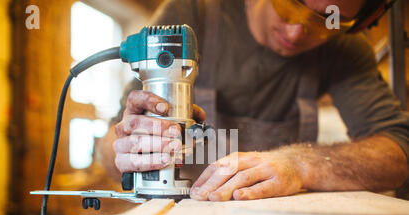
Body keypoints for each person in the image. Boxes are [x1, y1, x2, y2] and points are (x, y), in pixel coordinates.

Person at [99, 0, 409, 201]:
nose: (296, 31)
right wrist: (128, 151)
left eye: (325, 22)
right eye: (289, 6)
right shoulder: (192, 13)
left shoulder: (344, 49)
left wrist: (301, 163)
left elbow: (398, 151)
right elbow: (109, 151)